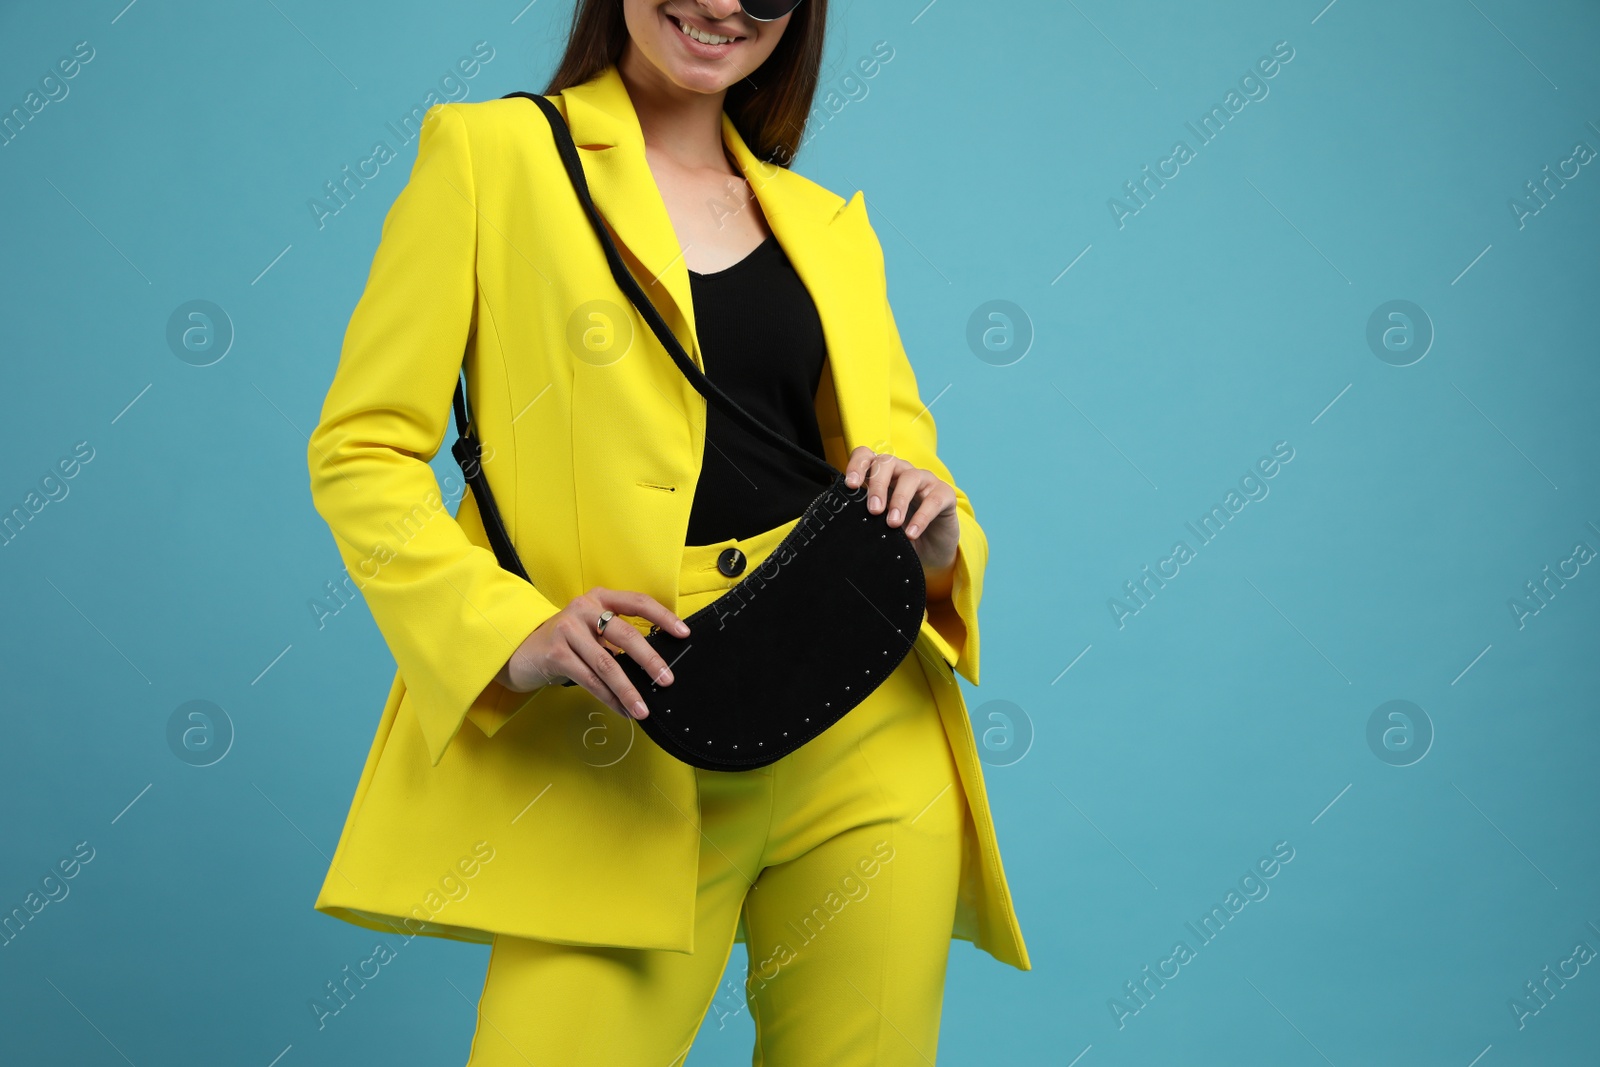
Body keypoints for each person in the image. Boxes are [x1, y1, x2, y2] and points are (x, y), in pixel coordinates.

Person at [305, 1, 1029, 1062]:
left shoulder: (823, 222)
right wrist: (509, 629)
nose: (725, 5)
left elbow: (914, 467)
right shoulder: (495, 155)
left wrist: (937, 541)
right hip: (622, 734)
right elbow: (360, 449)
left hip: (867, 728)